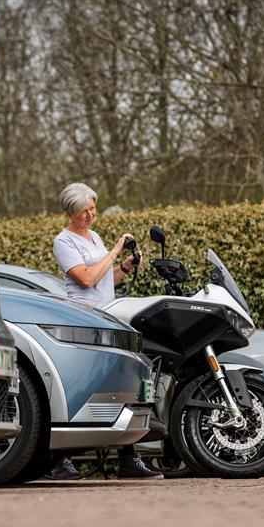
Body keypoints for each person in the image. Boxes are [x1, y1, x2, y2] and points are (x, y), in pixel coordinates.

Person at [49, 182, 163, 480]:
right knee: (83, 386)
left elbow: (103, 279)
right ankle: (62, 460)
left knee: (119, 385)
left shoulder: (94, 237)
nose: (90, 215)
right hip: (82, 319)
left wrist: (124, 265)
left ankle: (128, 457)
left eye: (92, 208)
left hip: (107, 317)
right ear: (69, 213)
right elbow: (86, 279)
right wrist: (115, 249)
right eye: (83, 211)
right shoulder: (64, 242)